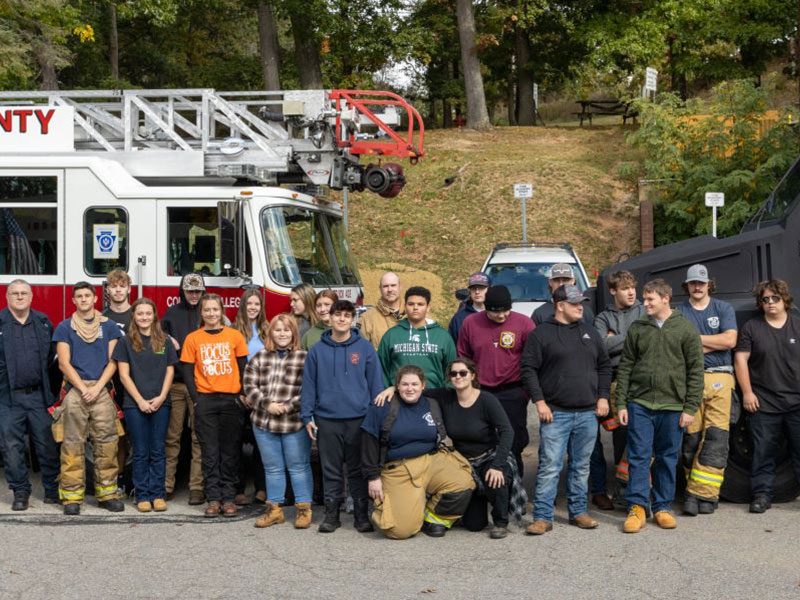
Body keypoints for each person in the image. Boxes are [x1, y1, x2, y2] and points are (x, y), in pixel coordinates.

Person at [374, 357, 521, 538]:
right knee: (475, 525)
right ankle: (458, 507)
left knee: (497, 478)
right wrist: (393, 388)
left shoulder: (486, 400)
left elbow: (507, 431)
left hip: (488, 456)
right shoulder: (445, 397)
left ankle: (501, 521)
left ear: (472, 375)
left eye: (463, 373)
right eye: (453, 373)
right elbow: (415, 389)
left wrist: (498, 465)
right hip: (462, 459)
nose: (458, 376)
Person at [521, 284, 612, 535]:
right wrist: (539, 402)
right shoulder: (541, 334)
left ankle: (579, 512)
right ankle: (542, 516)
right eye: (574, 303)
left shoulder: (590, 332)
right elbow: (528, 369)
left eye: (581, 302)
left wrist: (603, 397)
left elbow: (604, 367)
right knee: (550, 466)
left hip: (587, 413)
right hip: (555, 412)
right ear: (559, 305)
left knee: (581, 466)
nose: (580, 306)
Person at [616, 279, 703, 533]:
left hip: (673, 405)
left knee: (667, 457)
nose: (645, 303)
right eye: (645, 299)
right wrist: (622, 403)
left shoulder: (685, 329)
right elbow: (626, 367)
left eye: (650, 299)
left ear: (666, 298)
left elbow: (696, 371)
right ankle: (638, 507)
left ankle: (663, 507)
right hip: (640, 403)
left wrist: (690, 408)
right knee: (638, 456)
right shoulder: (638, 327)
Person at [362, 365, 476, 539]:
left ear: (423, 386)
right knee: (399, 531)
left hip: (430, 460)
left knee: (464, 482)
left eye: (415, 384)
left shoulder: (432, 404)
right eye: (404, 384)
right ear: (397, 386)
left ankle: (432, 518)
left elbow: (459, 392)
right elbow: (368, 441)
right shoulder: (383, 405)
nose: (410, 389)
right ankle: (406, 506)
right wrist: (373, 477)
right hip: (399, 467)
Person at [300, 299, 384, 533]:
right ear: (330, 316)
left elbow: (376, 384)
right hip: (327, 419)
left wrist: (374, 417)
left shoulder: (364, 348)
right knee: (331, 469)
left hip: (358, 419)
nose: (341, 319)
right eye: (338, 315)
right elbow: (308, 386)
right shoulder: (317, 350)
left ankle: (360, 515)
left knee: (357, 470)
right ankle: (331, 515)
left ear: (352, 319)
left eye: (347, 316)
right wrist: (307, 416)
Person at [52, 281, 124, 515]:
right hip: (76, 390)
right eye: (79, 296)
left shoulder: (110, 326)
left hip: (102, 389)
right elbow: (64, 363)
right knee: (72, 444)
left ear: (95, 299)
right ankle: (72, 497)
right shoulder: (64, 327)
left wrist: (98, 387)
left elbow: (113, 361)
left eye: (87, 295)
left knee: (107, 444)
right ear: (73, 300)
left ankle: (108, 494)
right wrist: (83, 388)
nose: (83, 299)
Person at [734, 279, 800, 514]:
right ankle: (762, 496)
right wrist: (748, 392)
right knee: (763, 453)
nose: (770, 303)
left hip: (796, 402)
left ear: (785, 300)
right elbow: (740, 359)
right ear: (760, 303)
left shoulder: (797, 325)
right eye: (765, 299)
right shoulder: (752, 327)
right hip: (763, 402)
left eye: (775, 298)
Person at [180, 293, 249, 518]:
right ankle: (213, 498)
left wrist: (241, 394)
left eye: (215, 310)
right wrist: (196, 398)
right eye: (207, 310)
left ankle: (228, 498)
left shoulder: (235, 336)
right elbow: (187, 372)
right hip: (206, 401)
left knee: (230, 451)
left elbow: (243, 367)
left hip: (230, 401)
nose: (211, 314)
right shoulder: (193, 338)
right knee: (209, 452)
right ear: (201, 313)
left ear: (222, 311)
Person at [676, 264, 737, 516]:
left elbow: (730, 341)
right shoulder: (678, 312)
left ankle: (703, 495)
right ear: (687, 286)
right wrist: (715, 341)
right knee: (691, 439)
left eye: (701, 283)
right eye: (693, 283)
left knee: (715, 439)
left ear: (709, 284)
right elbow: (677, 345)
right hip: (690, 379)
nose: (697, 287)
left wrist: (694, 340)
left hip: (721, 378)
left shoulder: (723, 308)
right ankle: (699, 493)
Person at [244, 314, 313, 529]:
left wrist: (288, 406)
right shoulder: (260, 357)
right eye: (278, 330)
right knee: (272, 467)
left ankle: (303, 508)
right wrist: (267, 404)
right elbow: (249, 385)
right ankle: (274, 509)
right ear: (271, 333)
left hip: (293, 423)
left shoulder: (304, 358)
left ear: (293, 333)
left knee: (298, 466)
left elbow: (309, 389)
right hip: (264, 422)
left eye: (287, 330)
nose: (282, 334)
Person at [457, 285, 534, 475]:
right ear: (485, 307)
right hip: (481, 391)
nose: (501, 316)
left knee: (514, 441)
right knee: (482, 439)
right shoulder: (470, 323)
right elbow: (463, 356)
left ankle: (515, 490)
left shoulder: (524, 324)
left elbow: (532, 359)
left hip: (513, 392)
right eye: (495, 312)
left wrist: (525, 392)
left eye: (505, 310)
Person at [112, 298, 178, 512]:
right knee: (140, 451)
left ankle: (157, 495)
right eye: (140, 313)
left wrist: (160, 397)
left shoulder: (165, 341)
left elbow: (170, 370)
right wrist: (139, 400)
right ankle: (141, 495)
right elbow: (123, 375)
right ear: (134, 316)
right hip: (134, 404)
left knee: (158, 449)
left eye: (148, 313)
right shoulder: (125, 342)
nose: (144, 317)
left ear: (154, 316)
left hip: (161, 403)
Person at [0, 279, 60, 510]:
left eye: (24, 293)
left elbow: (52, 362)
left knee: (47, 444)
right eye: (14, 293)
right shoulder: (1, 322)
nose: (19, 297)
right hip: (8, 398)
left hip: (38, 395)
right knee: (12, 447)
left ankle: (52, 491)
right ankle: (20, 492)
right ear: (7, 297)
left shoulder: (43, 322)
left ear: (31, 296)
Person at [591, 270, 645, 510]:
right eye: (625, 288)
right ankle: (623, 491)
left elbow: (651, 339)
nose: (631, 292)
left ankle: (640, 491)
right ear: (613, 291)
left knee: (641, 439)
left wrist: (618, 338)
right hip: (616, 384)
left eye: (633, 287)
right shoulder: (603, 317)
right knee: (621, 438)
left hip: (642, 382)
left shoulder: (645, 311)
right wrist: (635, 336)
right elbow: (600, 346)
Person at [161, 273, 206, 505]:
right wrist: (169, 340)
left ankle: (196, 487)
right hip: (177, 385)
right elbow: (158, 339)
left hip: (200, 384)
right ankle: (167, 485)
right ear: (182, 291)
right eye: (190, 291)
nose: (194, 295)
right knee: (172, 437)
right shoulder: (171, 314)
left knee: (199, 438)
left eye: (198, 291)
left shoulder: (206, 313)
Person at [378, 286, 457, 389]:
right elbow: (381, 370)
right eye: (411, 304)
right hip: (398, 396)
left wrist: (447, 396)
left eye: (420, 304)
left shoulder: (443, 336)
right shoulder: (391, 335)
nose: (415, 308)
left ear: (428, 307)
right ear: (405, 306)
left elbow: (452, 370)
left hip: (434, 397)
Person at [232, 288, 268, 505]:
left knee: (261, 443)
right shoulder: (233, 330)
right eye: (249, 304)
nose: (253, 308)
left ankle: (261, 487)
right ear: (243, 306)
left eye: (257, 304)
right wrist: (241, 393)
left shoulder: (267, 330)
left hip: (262, 393)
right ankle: (238, 488)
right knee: (235, 443)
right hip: (238, 393)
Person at [103, 268, 133, 495]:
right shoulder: (101, 318)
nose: (118, 290)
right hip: (110, 383)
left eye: (122, 286)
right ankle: (116, 479)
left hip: (135, 383)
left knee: (134, 433)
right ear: (108, 290)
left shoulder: (139, 315)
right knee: (115, 434)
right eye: (114, 286)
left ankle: (133, 480)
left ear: (129, 289)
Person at [357, 272, 404, 349]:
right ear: (380, 289)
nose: (389, 289)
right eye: (385, 286)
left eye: (393, 285)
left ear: (400, 287)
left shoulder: (414, 315)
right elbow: (360, 351)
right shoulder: (367, 319)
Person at [448, 272, 490, 343]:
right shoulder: (459, 318)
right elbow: (451, 345)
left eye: (481, 288)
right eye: (473, 288)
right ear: (469, 291)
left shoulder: (496, 315)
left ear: (489, 289)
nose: (477, 292)